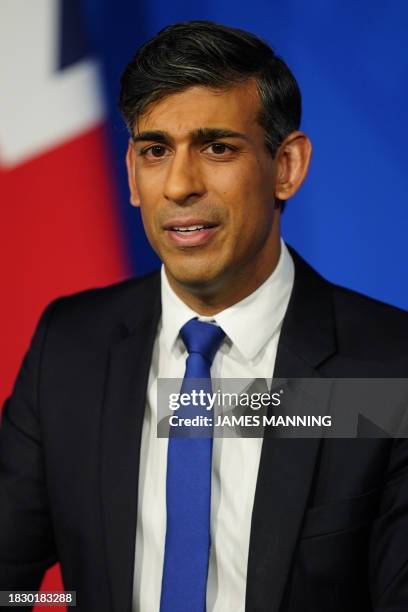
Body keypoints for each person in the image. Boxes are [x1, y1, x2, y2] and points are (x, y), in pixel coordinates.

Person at [1, 20, 408, 612]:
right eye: (155, 151)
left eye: (217, 147)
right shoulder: (70, 346)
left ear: (287, 166)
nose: (181, 184)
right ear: (133, 175)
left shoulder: (388, 371)